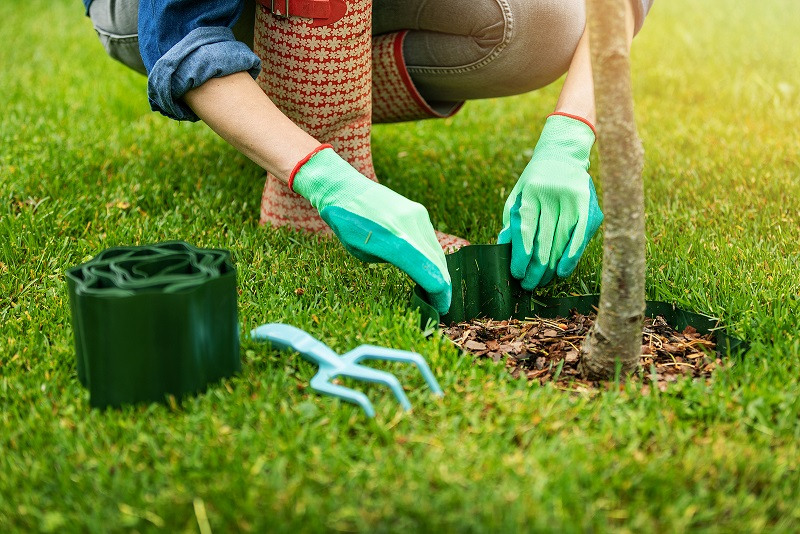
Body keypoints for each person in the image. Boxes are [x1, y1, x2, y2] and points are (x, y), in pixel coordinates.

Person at [83, 0, 654, 315]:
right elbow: (181, 34)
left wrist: (569, 139)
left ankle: (282, 104)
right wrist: (325, 178)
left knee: (548, 21)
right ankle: (301, 155)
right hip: (153, 14)